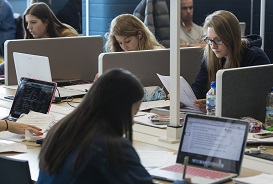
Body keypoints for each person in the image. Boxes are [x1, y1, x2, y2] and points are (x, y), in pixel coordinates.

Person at [37, 68, 189, 183]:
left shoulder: (60, 131)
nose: (133, 121)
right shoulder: (110, 147)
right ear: (119, 109)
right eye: (133, 113)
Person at [191, 10, 271, 111]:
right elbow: (198, 88)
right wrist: (183, 98)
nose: (213, 46)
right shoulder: (210, 55)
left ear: (232, 37)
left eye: (218, 40)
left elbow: (255, 100)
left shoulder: (255, 57)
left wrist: (216, 104)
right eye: (209, 40)